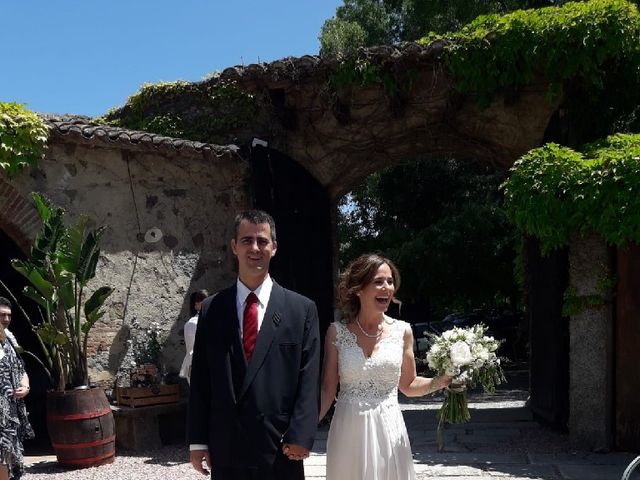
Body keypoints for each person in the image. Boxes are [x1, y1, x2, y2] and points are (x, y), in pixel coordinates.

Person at [188, 210, 321, 480]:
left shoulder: (301, 310)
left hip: (280, 447)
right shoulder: (212, 309)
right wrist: (198, 441)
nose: (255, 248)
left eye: (262, 241)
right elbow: (201, 377)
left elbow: (309, 377)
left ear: (274, 247)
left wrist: (301, 433)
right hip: (227, 448)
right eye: (247, 240)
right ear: (234, 247)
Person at [319, 253, 452, 480]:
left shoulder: (403, 331)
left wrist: (441, 381)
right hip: (348, 431)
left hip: (388, 429)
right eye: (378, 282)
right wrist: (301, 432)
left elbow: (408, 385)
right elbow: (327, 390)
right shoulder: (337, 333)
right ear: (359, 288)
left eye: (390, 282)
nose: (387, 288)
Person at [0, 301, 34, 480]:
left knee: (11, 456)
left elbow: (22, 369)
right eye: (1, 315)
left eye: (9, 315)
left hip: (12, 410)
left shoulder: (10, 339)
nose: (6, 319)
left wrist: (26, 386)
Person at [179, 289, 209, 384]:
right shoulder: (193, 323)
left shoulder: (208, 321)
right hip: (196, 365)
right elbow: (193, 350)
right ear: (196, 305)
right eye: (204, 302)